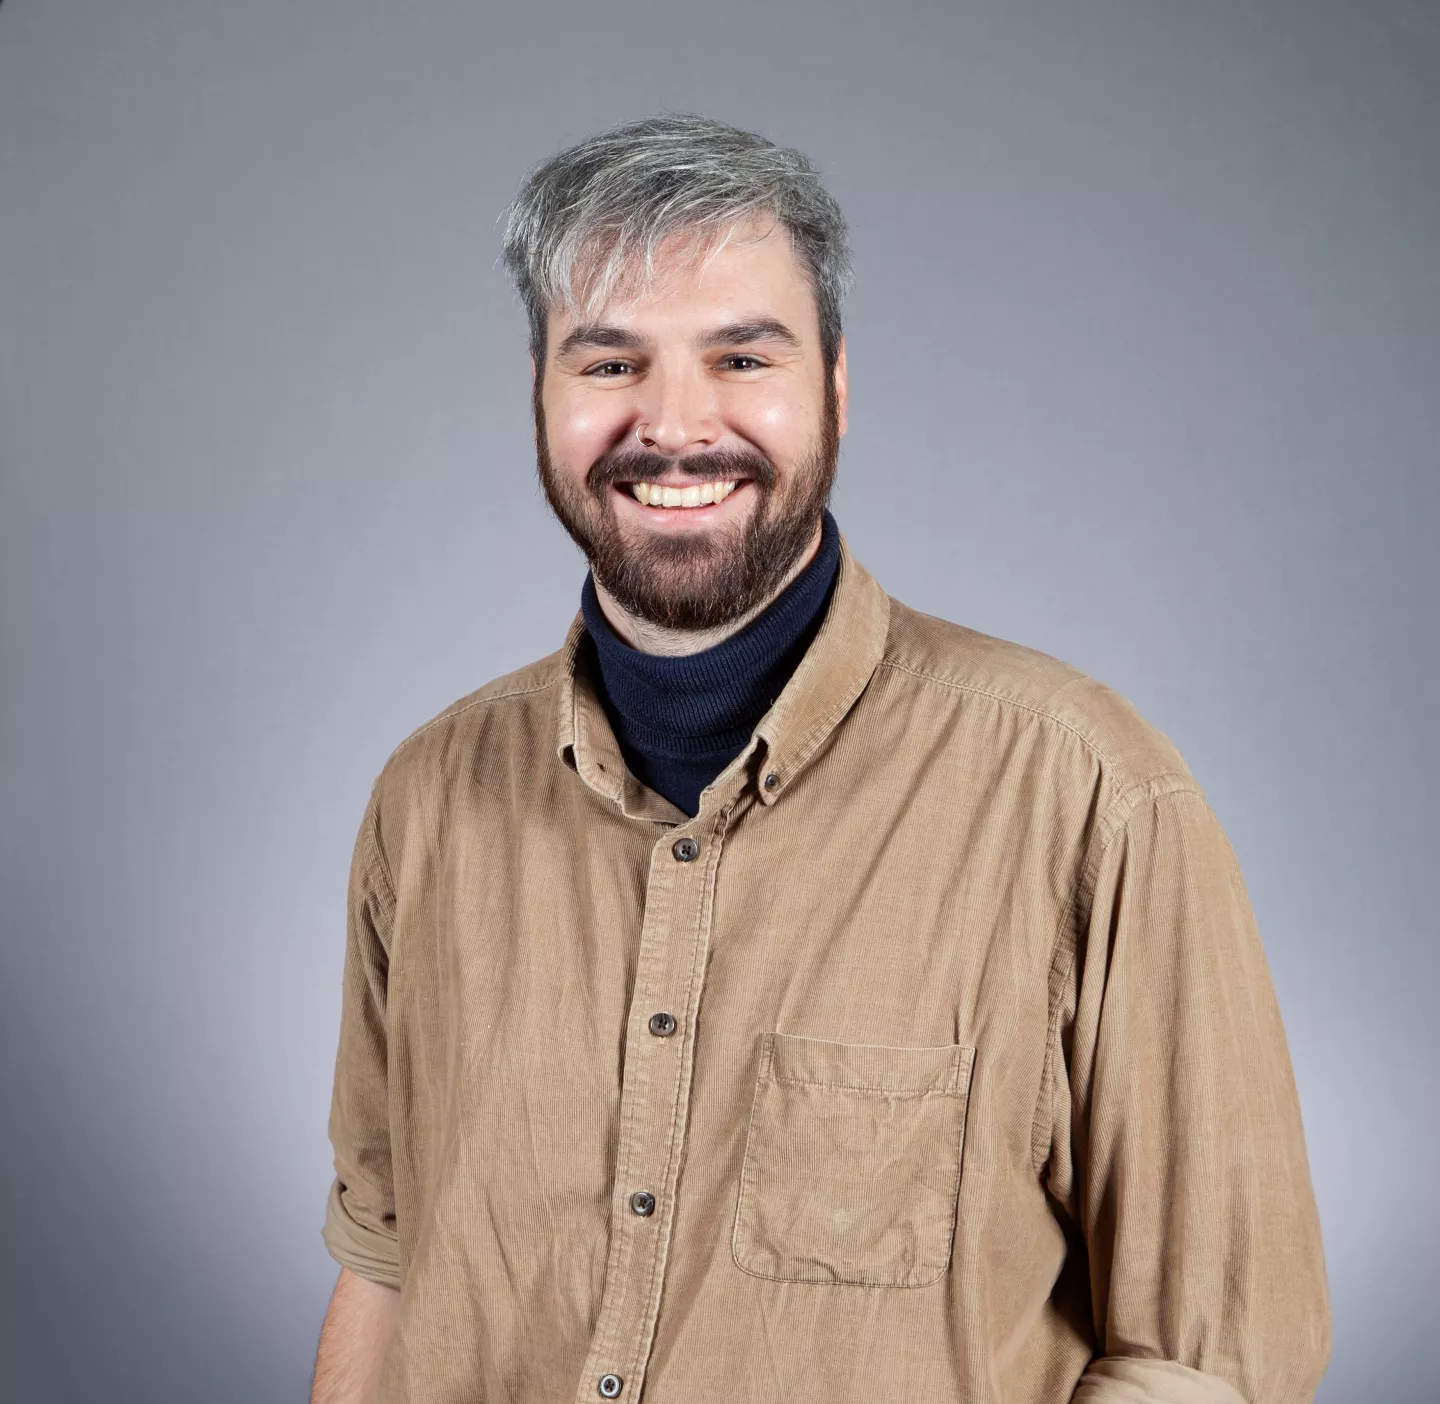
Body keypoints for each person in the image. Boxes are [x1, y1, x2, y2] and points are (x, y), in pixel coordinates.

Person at [310, 115, 1329, 1404]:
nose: (674, 426)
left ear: (836, 388)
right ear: (539, 392)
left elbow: (1202, 1361)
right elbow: (391, 1256)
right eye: (609, 362)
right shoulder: (427, 799)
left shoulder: (1089, 796)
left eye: (741, 355)